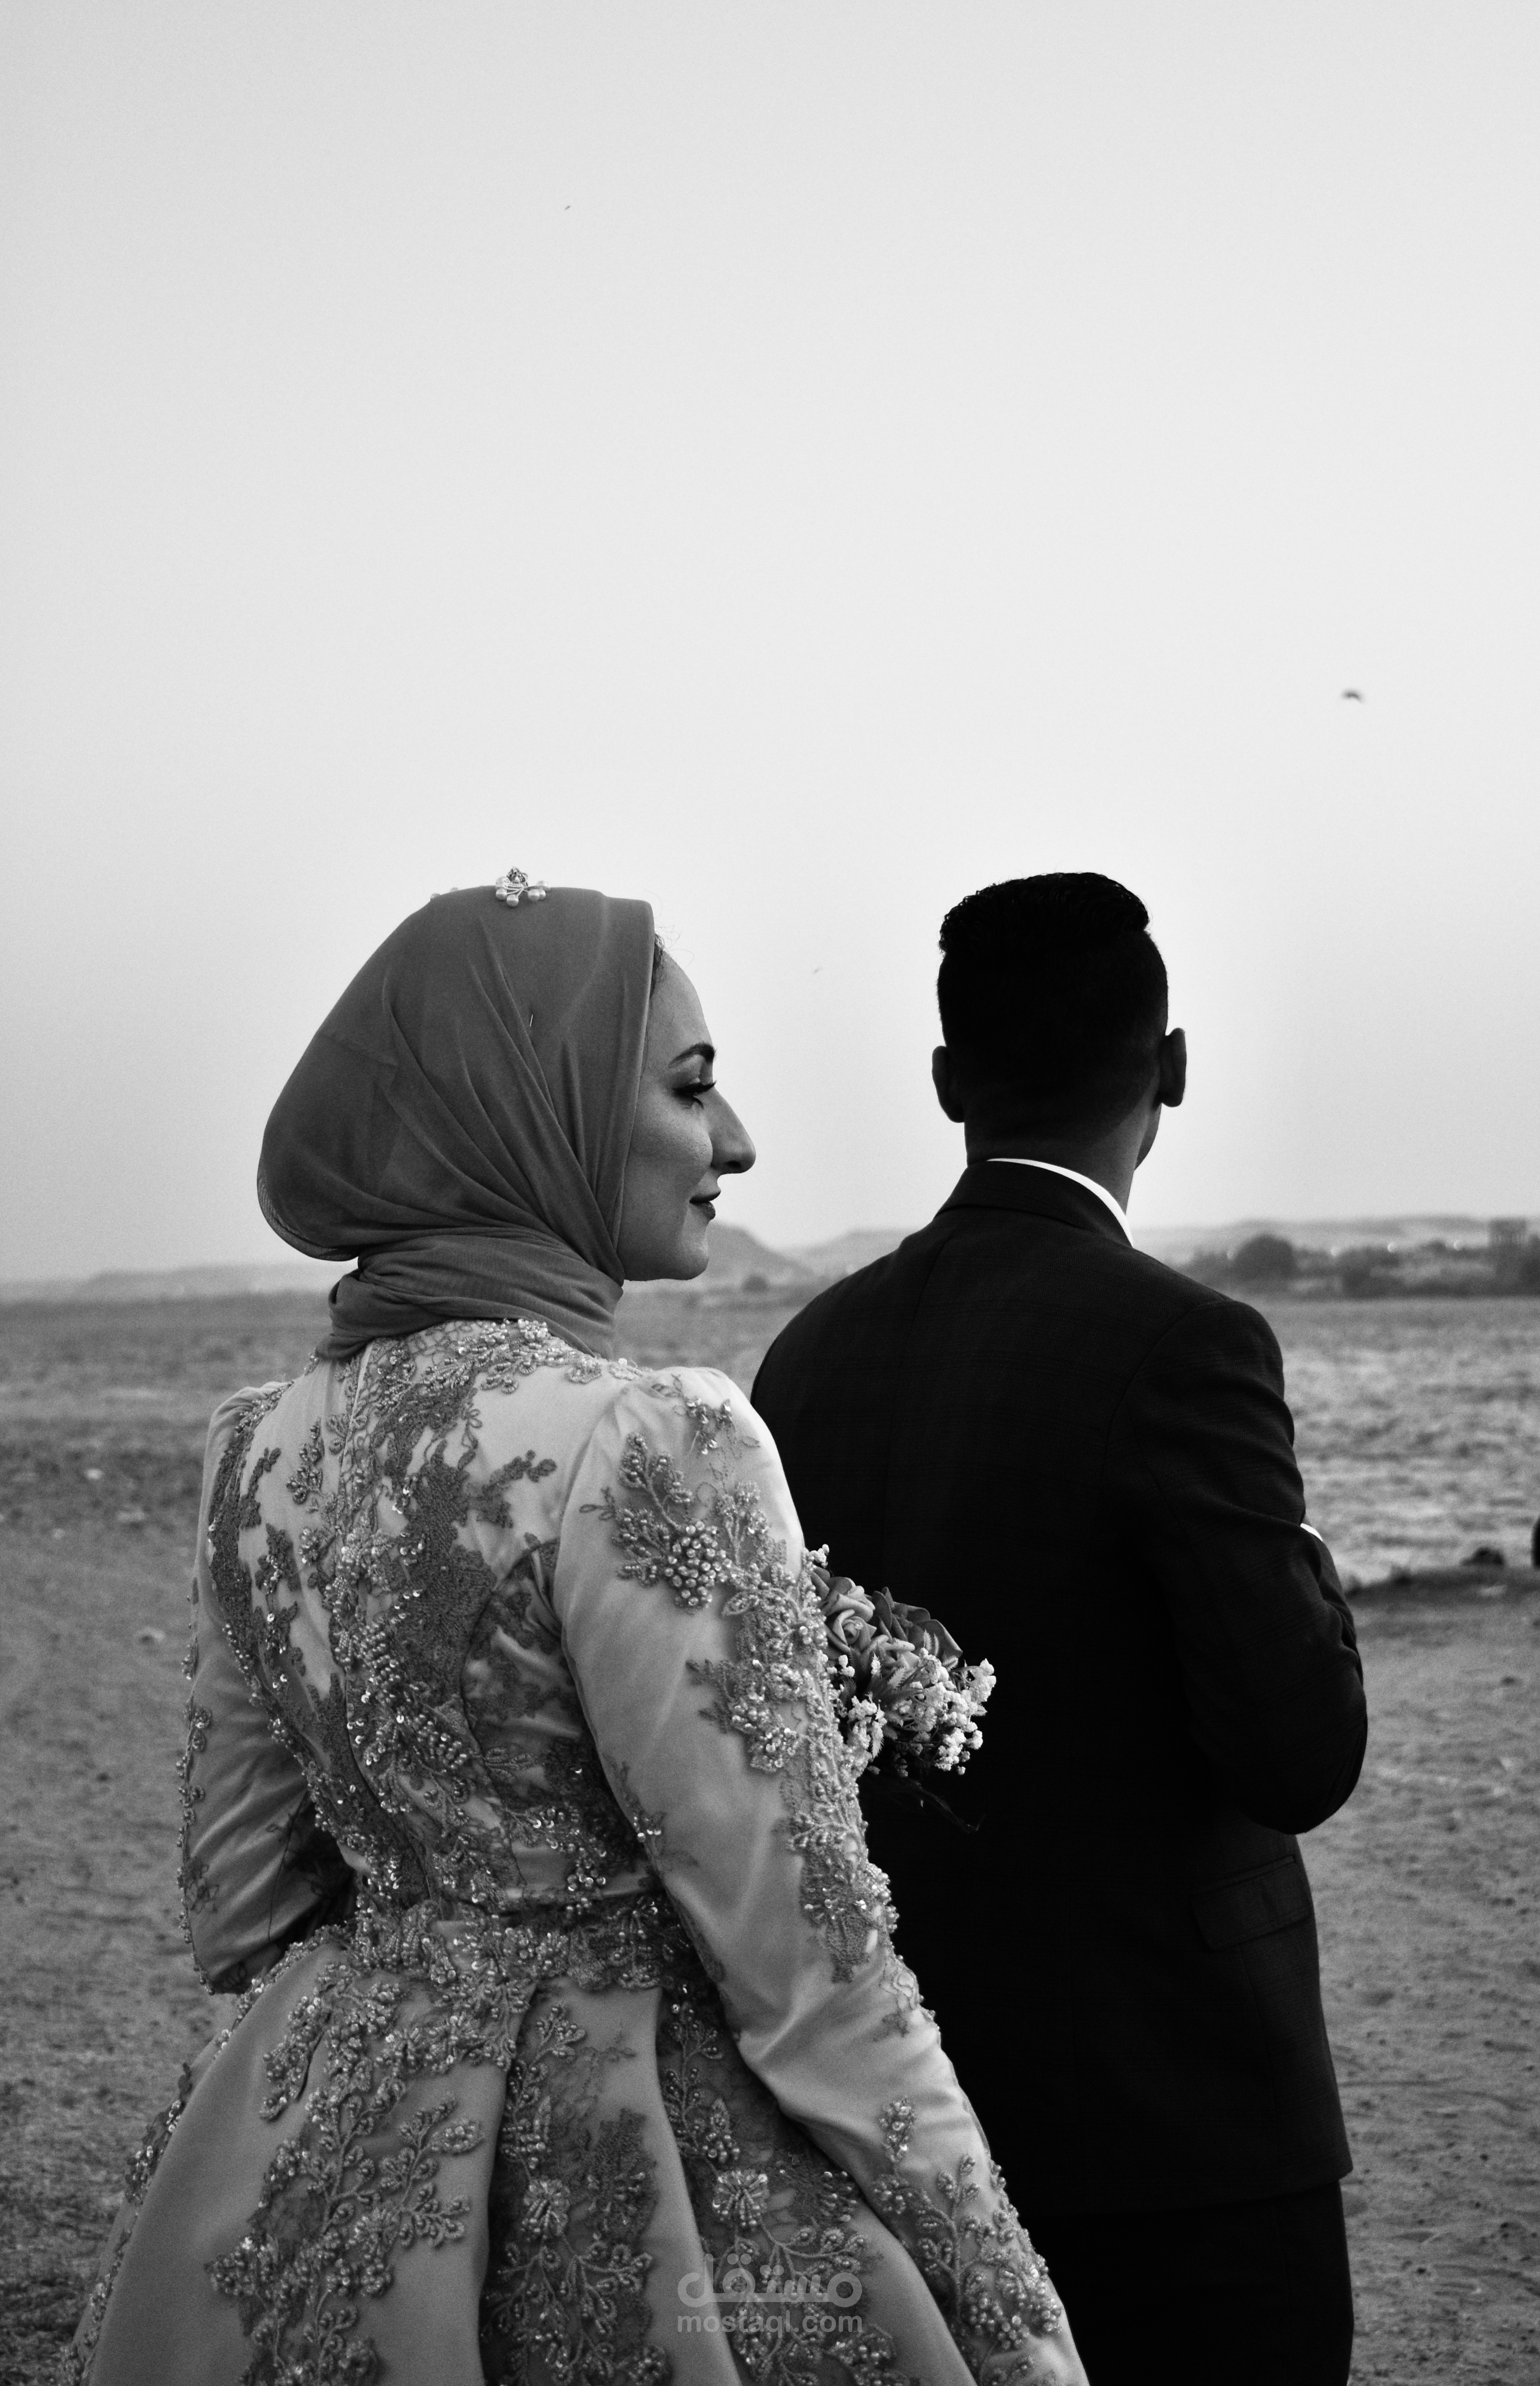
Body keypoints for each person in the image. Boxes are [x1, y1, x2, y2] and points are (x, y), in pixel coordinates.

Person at [66, 877, 1089, 2386]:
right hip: (632, 2142)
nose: (733, 1140)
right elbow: (817, 1984)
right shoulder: (650, 1434)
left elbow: (240, 1910)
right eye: (688, 1086)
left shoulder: (256, 1448)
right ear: (531, 1113)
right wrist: (1017, 2329)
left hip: (327, 2123)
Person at [754, 873, 1368, 2386]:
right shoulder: (1187, 1343)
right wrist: (1305, 1566)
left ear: (946, 1082)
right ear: (1171, 1069)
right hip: (1177, 2129)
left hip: (893, 2111)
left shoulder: (805, 1360)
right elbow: (1296, 1755)